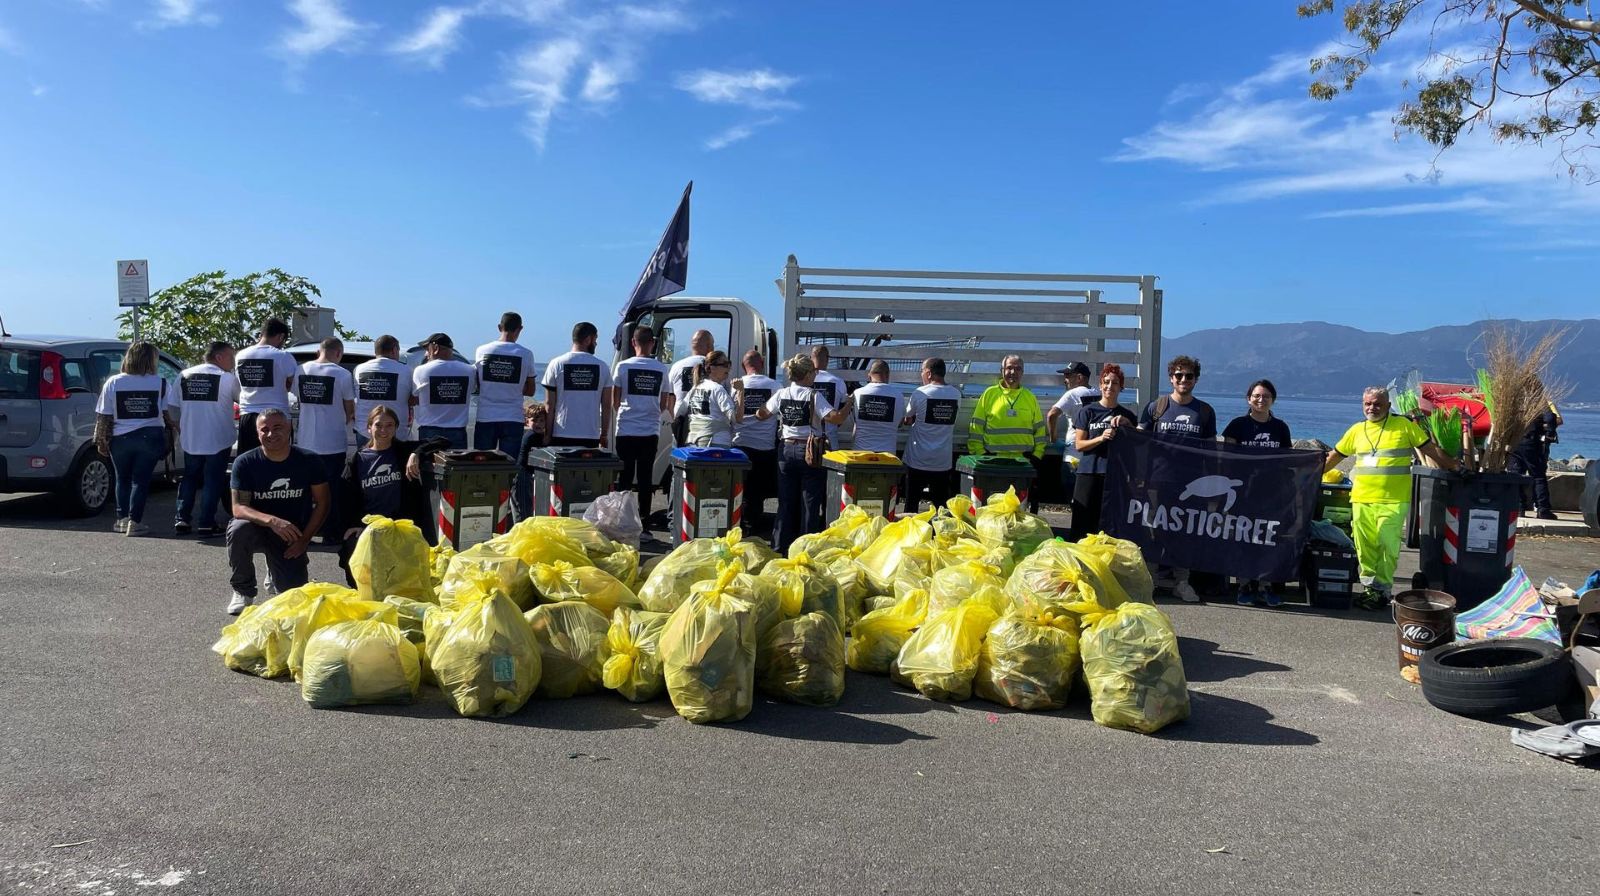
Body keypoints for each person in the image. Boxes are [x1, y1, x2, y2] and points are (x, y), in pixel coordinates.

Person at [1324, 386, 1459, 610]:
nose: (1372, 408)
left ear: (1388, 405)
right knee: (1364, 545)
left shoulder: (1404, 426)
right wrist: (1308, 475)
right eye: (1367, 403)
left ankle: (1383, 589)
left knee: (1387, 544)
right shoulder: (1357, 430)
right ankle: (1370, 589)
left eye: (1377, 404)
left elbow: (1430, 450)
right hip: (1362, 499)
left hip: (1393, 500)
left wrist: (1455, 467)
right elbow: (1335, 456)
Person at [226, 409, 330, 615]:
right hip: (259, 528)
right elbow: (238, 508)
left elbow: (323, 503)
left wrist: (304, 541)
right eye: (265, 430)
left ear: (290, 428)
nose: (271, 434)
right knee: (239, 529)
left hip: (291, 534)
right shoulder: (245, 462)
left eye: (277, 428)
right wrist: (272, 521)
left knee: (293, 601)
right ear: (257, 434)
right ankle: (243, 590)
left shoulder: (309, 460)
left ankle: (275, 568)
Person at [335, 406, 450, 586]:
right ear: (368, 428)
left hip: (400, 526)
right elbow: (346, 498)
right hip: (371, 526)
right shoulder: (358, 459)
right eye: (378, 425)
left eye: (389, 425)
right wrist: (354, 524)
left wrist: (416, 454)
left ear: (396, 428)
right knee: (353, 554)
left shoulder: (403, 451)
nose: (383, 430)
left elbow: (443, 441)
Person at [1138, 355, 1218, 603]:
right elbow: (1138, 442)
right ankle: (1149, 582)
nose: (1184, 380)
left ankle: (1181, 582)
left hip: (1191, 484)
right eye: (1179, 375)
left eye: (1189, 376)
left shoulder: (1204, 411)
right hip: (1157, 480)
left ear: (1196, 379)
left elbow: (1211, 451)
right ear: (1171, 378)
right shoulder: (1156, 407)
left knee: (1184, 530)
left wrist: (1213, 483)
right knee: (1152, 529)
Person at [755, 353, 848, 552]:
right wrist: (850, 403)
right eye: (813, 372)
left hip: (785, 450)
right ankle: (805, 549)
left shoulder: (781, 394)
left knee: (786, 502)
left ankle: (779, 547)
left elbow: (761, 414)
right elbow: (836, 418)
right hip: (809, 451)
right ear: (807, 374)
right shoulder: (814, 395)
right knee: (809, 502)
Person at [94, 341, 178, 536]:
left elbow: (104, 415)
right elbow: (168, 412)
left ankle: (121, 519)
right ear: (151, 360)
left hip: (120, 437)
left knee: (122, 479)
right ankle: (135, 521)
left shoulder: (113, 382)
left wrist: (101, 441)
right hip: (150, 436)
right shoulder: (161, 382)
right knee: (141, 481)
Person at [1223, 379, 1294, 607]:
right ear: (1248, 399)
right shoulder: (1236, 425)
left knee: (1268, 538)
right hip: (1242, 492)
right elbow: (1227, 459)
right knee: (1243, 538)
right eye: (1256, 396)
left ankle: (1266, 585)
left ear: (1273, 400)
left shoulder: (1280, 427)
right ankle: (1245, 585)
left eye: (1265, 396)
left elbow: (1287, 460)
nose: (1260, 400)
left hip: (1272, 493)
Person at [174, 340, 240, 537]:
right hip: (218, 438)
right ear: (219, 357)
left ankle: (182, 519)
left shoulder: (184, 375)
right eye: (231, 357)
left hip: (191, 437)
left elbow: (172, 405)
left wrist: (179, 427)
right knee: (213, 480)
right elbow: (242, 400)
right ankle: (206, 523)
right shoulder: (227, 378)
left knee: (189, 478)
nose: (233, 362)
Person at [294, 337, 356, 542]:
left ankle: (301, 531)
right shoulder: (342, 374)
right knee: (330, 492)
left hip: (305, 441)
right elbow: (349, 408)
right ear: (338, 353)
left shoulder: (301, 370)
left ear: (318, 352)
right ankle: (331, 533)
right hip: (332, 442)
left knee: (303, 491)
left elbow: (296, 398)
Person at [611, 325, 674, 525]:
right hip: (650, 429)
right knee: (646, 478)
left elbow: (615, 399)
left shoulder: (623, 366)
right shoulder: (661, 368)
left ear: (633, 343)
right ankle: (644, 521)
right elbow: (664, 403)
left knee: (625, 477)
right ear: (652, 343)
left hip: (626, 428)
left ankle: (622, 519)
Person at [968, 354, 1047, 510]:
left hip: (1021, 465)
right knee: (989, 510)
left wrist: (1037, 456)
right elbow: (976, 427)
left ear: (1022, 373)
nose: (1013, 372)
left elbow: (1039, 430)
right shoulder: (989, 394)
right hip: (992, 463)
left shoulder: (1029, 397)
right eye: (1009, 368)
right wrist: (981, 455)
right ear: (1002, 370)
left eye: (1017, 369)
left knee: (1017, 513)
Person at [1070, 363, 1137, 541]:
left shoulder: (1127, 415)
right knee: (1082, 523)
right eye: (1106, 382)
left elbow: (1137, 445)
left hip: (1115, 476)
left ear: (1121, 387)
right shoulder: (1088, 411)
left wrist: (1128, 425)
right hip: (1088, 473)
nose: (1109, 386)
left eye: (1114, 383)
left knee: (1110, 524)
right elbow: (1079, 445)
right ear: (1100, 385)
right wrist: (1101, 438)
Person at [474, 312, 537, 458]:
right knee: (509, 467)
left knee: (481, 465)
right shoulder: (526, 354)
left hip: (486, 416)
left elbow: (478, 384)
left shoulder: (482, 351)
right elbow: (531, 390)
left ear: (499, 327)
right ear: (520, 329)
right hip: (513, 417)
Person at [542, 321, 614, 449]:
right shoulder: (602, 367)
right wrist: (603, 435)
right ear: (588, 340)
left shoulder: (556, 364)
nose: (596, 344)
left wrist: (548, 434)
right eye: (595, 339)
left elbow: (549, 405)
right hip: (590, 434)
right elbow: (607, 405)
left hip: (561, 432)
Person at [902, 357, 961, 512]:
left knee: (911, 506)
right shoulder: (956, 394)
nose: (921, 374)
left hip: (917, 460)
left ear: (928, 373)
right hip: (942, 461)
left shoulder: (920, 393)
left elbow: (907, 417)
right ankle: (939, 534)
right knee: (940, 507)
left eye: (922, 371)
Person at [732, 349, 780, 538]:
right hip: (764, 446)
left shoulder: (735, 386)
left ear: (744, 366)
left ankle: (740, 525)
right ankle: (753, 526)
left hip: (740, 443)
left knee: (741, 489)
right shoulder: (775, 385)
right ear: (762, 363)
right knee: (757, 491)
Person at [233, 317, 297, 454]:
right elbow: (292, 383)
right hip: (277, 416)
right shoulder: (283, 356)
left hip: (248, 416)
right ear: (281, 337)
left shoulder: (241, 355)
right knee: (278, 460)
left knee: (248, 462)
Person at [412, 333, 476, 449]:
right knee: (455, 466)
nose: (426, 354)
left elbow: (415, 398)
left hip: (429, 431)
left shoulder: (421, 370)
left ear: (435, 348)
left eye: (427, 349)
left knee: (428, 466)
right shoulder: (469, 370)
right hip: (457, 432)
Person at [353, 335, 414, 445]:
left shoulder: (359, 369)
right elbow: (413, 398)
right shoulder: (406, 371)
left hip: (365, 431)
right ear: (395, 350)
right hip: (395, 433)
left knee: (365, 461)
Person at [1046, 361, 1095, 496]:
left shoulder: (1073, 394)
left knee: (1075, 502)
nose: (1065, 380)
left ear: (1079, 378)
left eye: (1068, 375)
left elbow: (1051, 415)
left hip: (1072, 459)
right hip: (1092, 460)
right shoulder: (1098, 394)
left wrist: (1054, 439)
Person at [1508, 398, 1563, 520]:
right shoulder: (1539, 402)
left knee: (1515, 475)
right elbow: (1551, 417)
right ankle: (1543, 509)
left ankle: (1518, 508)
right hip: (1531, 442)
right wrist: (1549, 432)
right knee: (1538, 475)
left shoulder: (1514, 400)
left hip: (1514, 442)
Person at [847, 360, 906, 455]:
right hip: (887, 454)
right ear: (887, 375)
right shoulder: (898, 395)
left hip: (861, 453)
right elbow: (900, 423)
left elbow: (853, 421)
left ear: (869, 375)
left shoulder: (857, 393)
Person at [668, 329, 714, 444]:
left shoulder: (676, 366)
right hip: (707, 423)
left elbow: (670, 400)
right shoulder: (716, 367)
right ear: (709, 346)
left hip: (681, 423)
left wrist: (673, 422)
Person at [685, 351, 738, 447]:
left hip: (694, 442)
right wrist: (741, 393)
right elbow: (734, 418)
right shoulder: (718, 389)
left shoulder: (694, 389)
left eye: (729, 364)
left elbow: (677, 413)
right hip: (717, 442)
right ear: (712, 368)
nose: (728, 368)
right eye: (725, 364)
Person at [513, 403, 549, 522]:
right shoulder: (532, 436)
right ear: (527, 422)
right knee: (523, 509)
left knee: (524, 506)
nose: (538, 424)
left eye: (542, 420)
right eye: (534, 420)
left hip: (527, 474)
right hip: (522, 474)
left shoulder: (537, 435)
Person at [809, 345, 847, 448]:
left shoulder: (804, 380)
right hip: (830, 439)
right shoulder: (838, 382)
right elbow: (842, 413)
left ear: (810, 358)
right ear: (827, 359)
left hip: (809, 441)